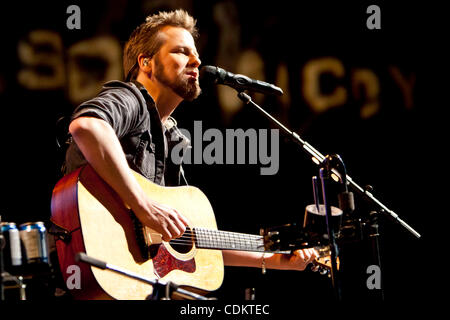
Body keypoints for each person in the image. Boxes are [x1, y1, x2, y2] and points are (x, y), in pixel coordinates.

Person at [63, 9, 318, 282]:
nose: (196, 60)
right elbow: (87, 126)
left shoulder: (172, 137)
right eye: (181, 51)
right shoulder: (130, 98)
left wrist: (273, 259)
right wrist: (143, 204)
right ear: (146, 62)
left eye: (195, 53)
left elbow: (187, 240)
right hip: (87, 265)